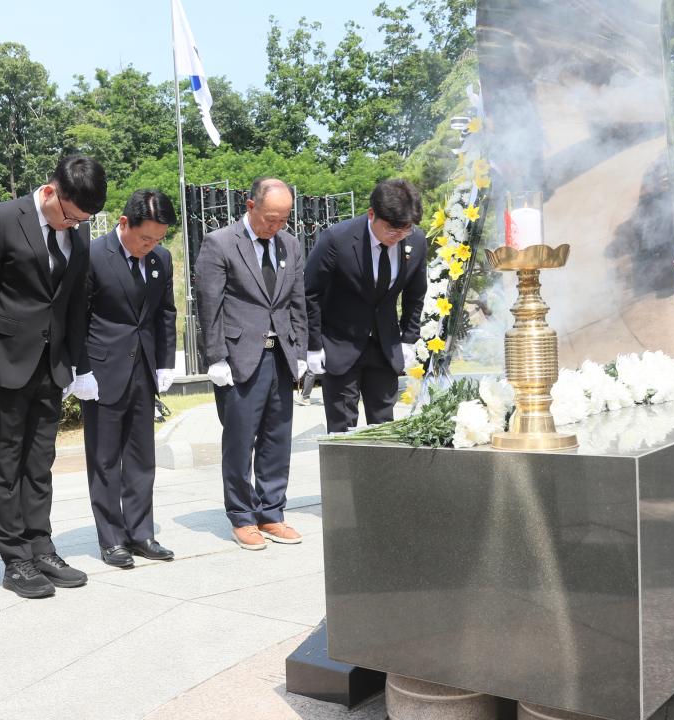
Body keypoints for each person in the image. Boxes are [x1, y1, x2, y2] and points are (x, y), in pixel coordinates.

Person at [0, 154, 106, 598]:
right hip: (6, 362)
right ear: (51, 192)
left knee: (40, 461)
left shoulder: (77, 229)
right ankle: (15, 557)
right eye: (69, 215)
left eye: (82, 220)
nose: (73, 225)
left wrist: (79, 364)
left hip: (52, 365)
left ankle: (41, 544)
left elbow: (73, 303)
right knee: (5, 463)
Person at [194, 177, 308, 551]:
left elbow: (296, 304)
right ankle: (242, 516)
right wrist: (216, 357)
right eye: (270, 218)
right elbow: (209, 306)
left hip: (280, 355)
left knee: (277, 438)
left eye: (283, 219)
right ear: (250, 206)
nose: (276, 226)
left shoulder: (289, 245)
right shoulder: (220, 243)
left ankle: (272, 512)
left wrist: (302, 352)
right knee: (240, 441)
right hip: (240, 357)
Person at [78, 189, 177, 569]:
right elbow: (78, 316)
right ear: (124, 223)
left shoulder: (161, 260)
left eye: (157, 239)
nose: (149, 246)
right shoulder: (93, 255)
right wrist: (80, 368)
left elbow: (165, 313)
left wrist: (165, 362)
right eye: (144, 238)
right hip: (102, 370)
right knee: (104, 458)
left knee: (141, 456)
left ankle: (141, 532)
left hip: (144, 370)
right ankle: (112, 538)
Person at [304, 179, 428, 432]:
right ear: (372, 214)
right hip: (340, 344)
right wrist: (313, 345)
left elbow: (416, 294)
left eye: (405, 229)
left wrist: (408, 338)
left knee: (384, 427)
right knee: (342, 428)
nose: (399, 236)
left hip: (385, 347)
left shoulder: (415, 241)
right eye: (392, 229)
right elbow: (310, 293)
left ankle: (382, 473)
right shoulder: (336, 239)